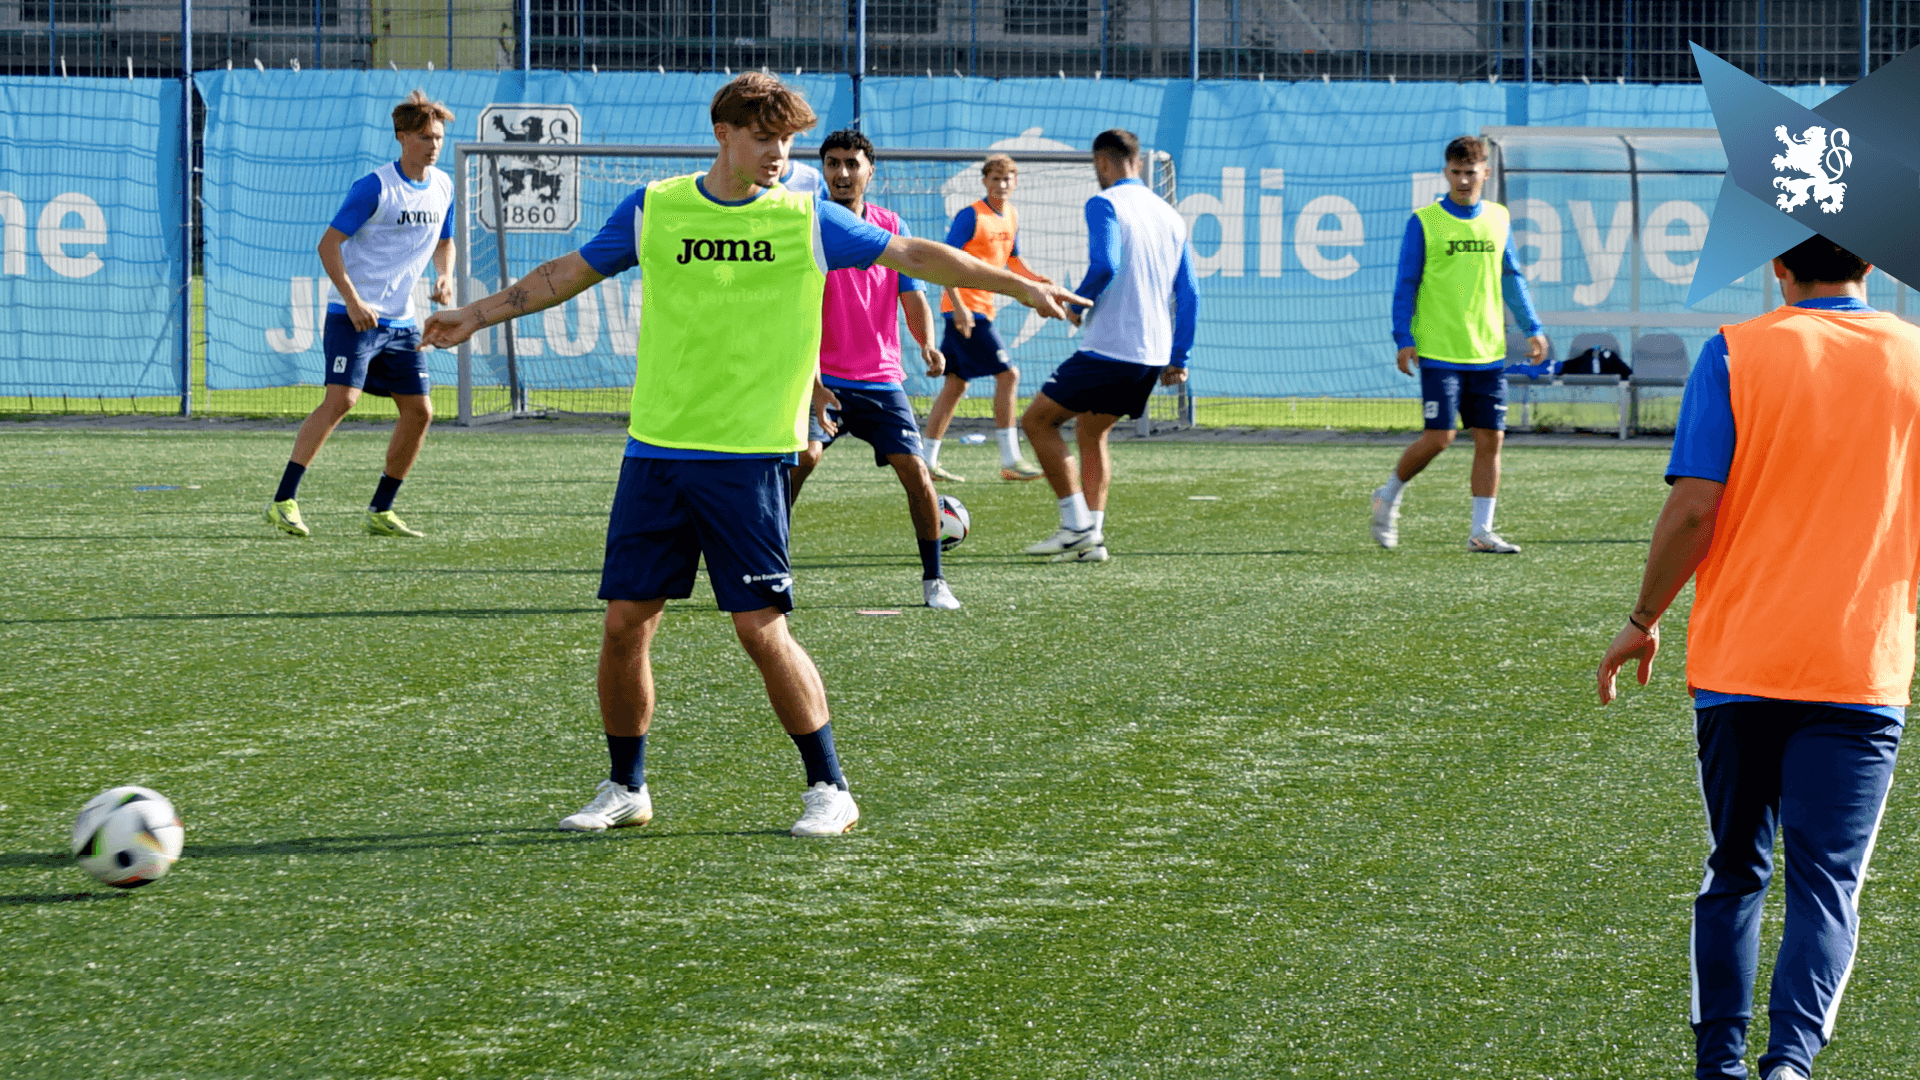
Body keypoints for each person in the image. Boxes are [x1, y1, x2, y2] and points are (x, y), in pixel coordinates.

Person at [421, 73, 1085, 837]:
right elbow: (566, 272)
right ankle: (625, 785)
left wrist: (1022, 286)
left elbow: (917, 256)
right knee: (625, 623)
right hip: (657, 450)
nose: (779, 153)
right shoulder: (656, 209)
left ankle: (829, 786)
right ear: (724, 135)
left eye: (788, 140)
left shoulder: (809, 220)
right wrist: (473, 314)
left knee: (759, 626)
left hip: (749, 455)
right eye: (764, 136)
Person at [1596, 236, 1919, 1080]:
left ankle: (1721, 1064)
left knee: (1734, 870)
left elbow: (1695, 509)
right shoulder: (1917, 356)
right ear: (1875, 265)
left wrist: (1644, 616)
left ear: (1777, 264)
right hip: (1861, 667)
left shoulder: (1734, 351)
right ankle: (1790, 1066)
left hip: (1740, 665)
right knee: (1826, 885)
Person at [265, 89, 455, 540]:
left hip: (402, 323)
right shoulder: (375, 187)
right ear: (402, 137)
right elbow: (328, 245)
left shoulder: (444, 185)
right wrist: (352, 299)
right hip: (354, 317)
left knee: (420, 412)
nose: (434, 145)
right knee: (341, 401)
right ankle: (283, 500)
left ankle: (380, 510)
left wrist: (444, 277)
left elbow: (445, 241)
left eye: (440, 138)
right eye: (425, 137)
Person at [787, 129, 959, 611]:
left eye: (852, 164)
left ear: (870, 170)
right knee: (803, 460)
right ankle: (770, 569)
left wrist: (927, 343)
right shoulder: (807, 225)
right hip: (822, 379)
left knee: (917, 472)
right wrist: (810, 372)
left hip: (882, 380)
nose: (842, 173)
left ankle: (935, 582)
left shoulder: (889, 226)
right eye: (833, 164)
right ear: (823, 171)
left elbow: (913, 293)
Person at [1019, 129, 1197, 563]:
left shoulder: (1105, 203)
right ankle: (1092, 539)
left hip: (1114, 348)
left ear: (1102, 163)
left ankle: (1075, 524)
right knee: (1090, 430)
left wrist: (1077, 305)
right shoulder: (1170, 215)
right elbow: (1190, 292)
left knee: (1037, 422)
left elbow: (1106, 264)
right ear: (1136, 160)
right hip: (1151, 356)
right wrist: (1179, 357)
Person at [1371, 134, 1547, 554]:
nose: (1464, 180)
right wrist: (1404, 337)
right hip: (1440, 349)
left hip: (1488, 351)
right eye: (1456, 172)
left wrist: (1533, 327)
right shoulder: (1426, 220)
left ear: (1486, 172)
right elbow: (1406, 283)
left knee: (1492, 440)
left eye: (1471, 172)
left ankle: (1480, 531)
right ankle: (1389, 493)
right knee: (1440, 437)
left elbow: (1512, 278)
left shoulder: (1499, 219)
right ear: (1446, 173)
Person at [919, 153, 1050, 484]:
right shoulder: (971, 216)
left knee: (955, 385)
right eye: (995, 178)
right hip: (967, 312)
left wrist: (1037, 281)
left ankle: (926, 461)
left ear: (1015, 182)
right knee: (1008, 375)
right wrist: (959, 304)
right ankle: (1011, 460)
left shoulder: (1011, 216)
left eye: (1007, 178)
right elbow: (943, 262)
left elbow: (1014, 261)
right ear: (984, 182)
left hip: (978, 310)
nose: (1001, 184)